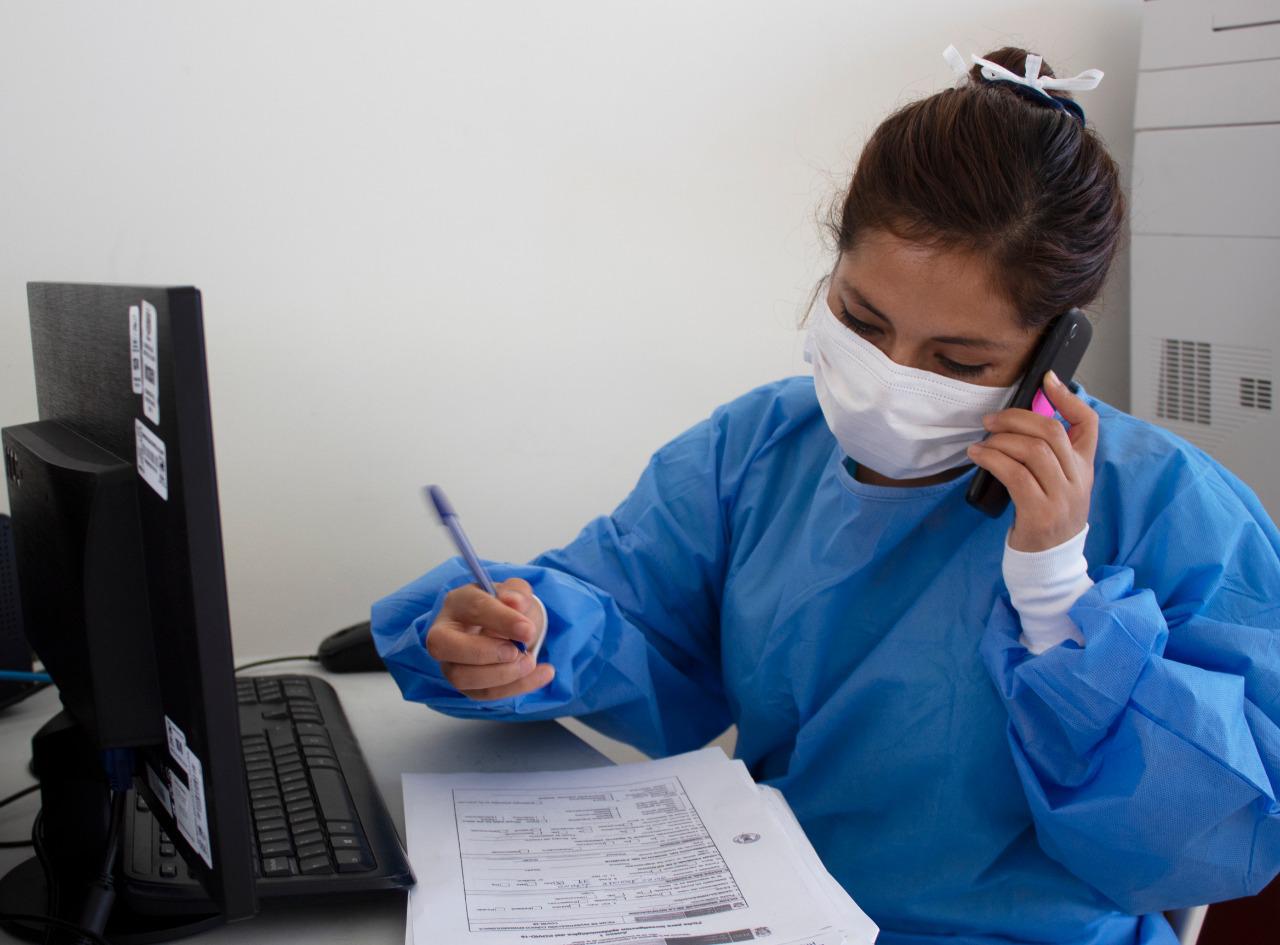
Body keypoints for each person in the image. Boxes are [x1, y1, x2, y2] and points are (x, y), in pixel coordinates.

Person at [371, 45, 1280, 945]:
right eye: (861, 319)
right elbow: (629, 620)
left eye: (959, 362)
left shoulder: (1172, 510)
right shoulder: (759, 447)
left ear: (1056, 351)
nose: (889, 380)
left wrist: (1056, 594)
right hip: (774, 912)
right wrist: (524, 632)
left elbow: (1213, 841)